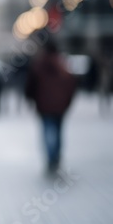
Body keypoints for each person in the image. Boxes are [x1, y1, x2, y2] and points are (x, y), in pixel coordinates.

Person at [25, 37, 77, 173]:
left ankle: (50, 158)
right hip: (60, 106)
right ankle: (56, 156)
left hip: (44, 105)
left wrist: (30, 98)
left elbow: (31, 85)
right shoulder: (63, 65)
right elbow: (71, 85)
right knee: (58, 131)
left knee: (47, 130)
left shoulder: (39, 64)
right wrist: (67, 101)